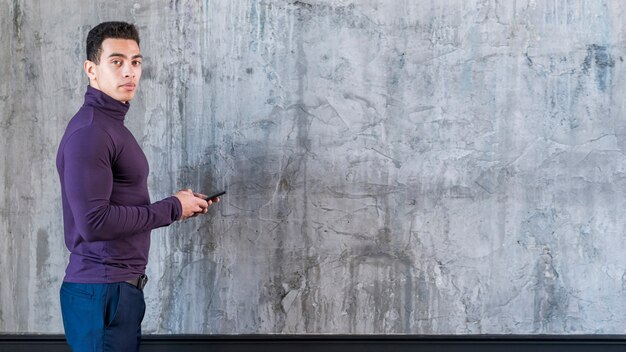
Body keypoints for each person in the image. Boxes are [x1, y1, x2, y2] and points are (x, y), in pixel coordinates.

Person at [56, 21, 218, 351]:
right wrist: (172, 208)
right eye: (116, 62)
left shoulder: (110, 126)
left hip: (117, 291)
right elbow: (94, 222)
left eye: (135, 62)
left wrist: (181, 204)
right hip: (102, 292)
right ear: (92, 69)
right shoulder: (91, 132)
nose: (129, 72)